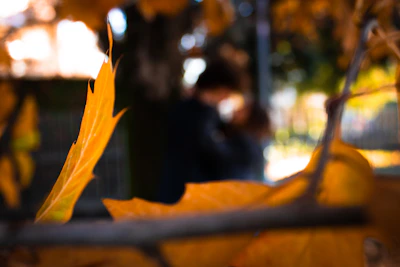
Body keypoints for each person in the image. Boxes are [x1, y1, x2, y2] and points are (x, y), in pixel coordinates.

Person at [158, 59, 244, 203]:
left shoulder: (182, 110)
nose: (227, 98)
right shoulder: (203, 116)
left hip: (176, 188)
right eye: (228, 92)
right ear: (220, 88)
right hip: (192, 192)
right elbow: (211, 150)